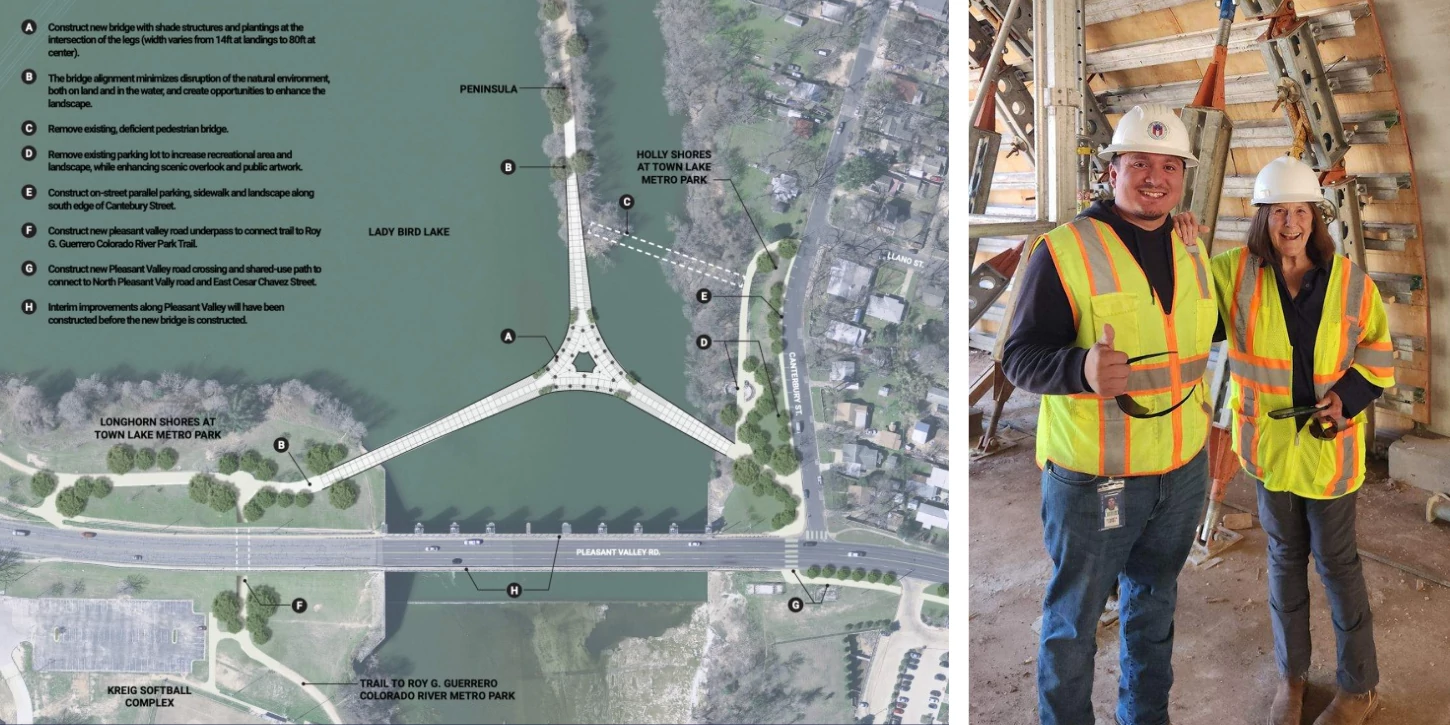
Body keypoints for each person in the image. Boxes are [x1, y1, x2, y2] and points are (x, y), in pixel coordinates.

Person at [1000, 103, 1218, 725]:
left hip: (1181, 471)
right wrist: (1080, 371)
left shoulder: (1190, 246)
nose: (1155, 178)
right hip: (1097, 478)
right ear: (1112, 170)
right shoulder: (1065, 250)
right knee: (1074, 623)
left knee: (1154, 608)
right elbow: (1018, 357)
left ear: (1183, 176)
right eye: (1140, 163)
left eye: (1169, 167)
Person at [1196, 155, 1394, 725]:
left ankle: (1359, 688)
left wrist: (1347, 398)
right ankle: (1292, 678)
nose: (1290, 223)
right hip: (1269, 452)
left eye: (1301, 212)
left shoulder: (1350, 282)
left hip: (1330, 453)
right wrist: (1184, 250)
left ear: (1316, 217)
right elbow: (1188, 312)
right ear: (1262, 217)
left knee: (1338, 566)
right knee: (1284, 563)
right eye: (1278, 212)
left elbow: (1379, 354)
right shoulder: (1232, 273)